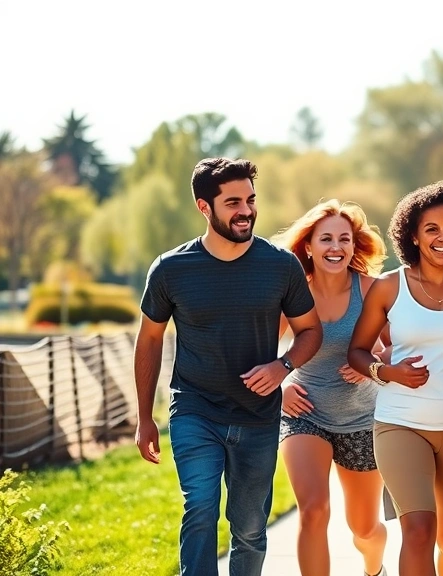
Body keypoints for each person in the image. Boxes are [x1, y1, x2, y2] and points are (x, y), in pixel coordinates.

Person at [133, 157, 323, 576]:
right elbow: (148, 339)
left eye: (251, 200)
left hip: (258, 417)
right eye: (233, 202)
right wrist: (145, 417)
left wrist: (282, 366)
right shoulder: (170, 270)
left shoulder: (280, 266)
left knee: (250, 528)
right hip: (195, 408)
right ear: (205, 207)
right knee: (200, 507)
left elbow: (310, 331)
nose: (247, 210)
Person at [348, 181, 443, 576]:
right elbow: (357, 352)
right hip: (400, 423)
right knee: (420, 529)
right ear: (413, 236)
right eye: (432, 229)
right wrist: (387, 372)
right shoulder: (389, 287)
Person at [271, 199, 389, 576]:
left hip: (362, 419)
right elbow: (262, 352)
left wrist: (371, 366)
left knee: (365, 529)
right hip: (305, 413)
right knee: (313, 509)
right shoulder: (293, 292)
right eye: (326, 239)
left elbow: (399, 348)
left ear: (355, 246)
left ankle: (375, 569)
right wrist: (281, 387)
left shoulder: (372, 289)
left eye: (344, 239)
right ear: (309, 246)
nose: (335, 247)